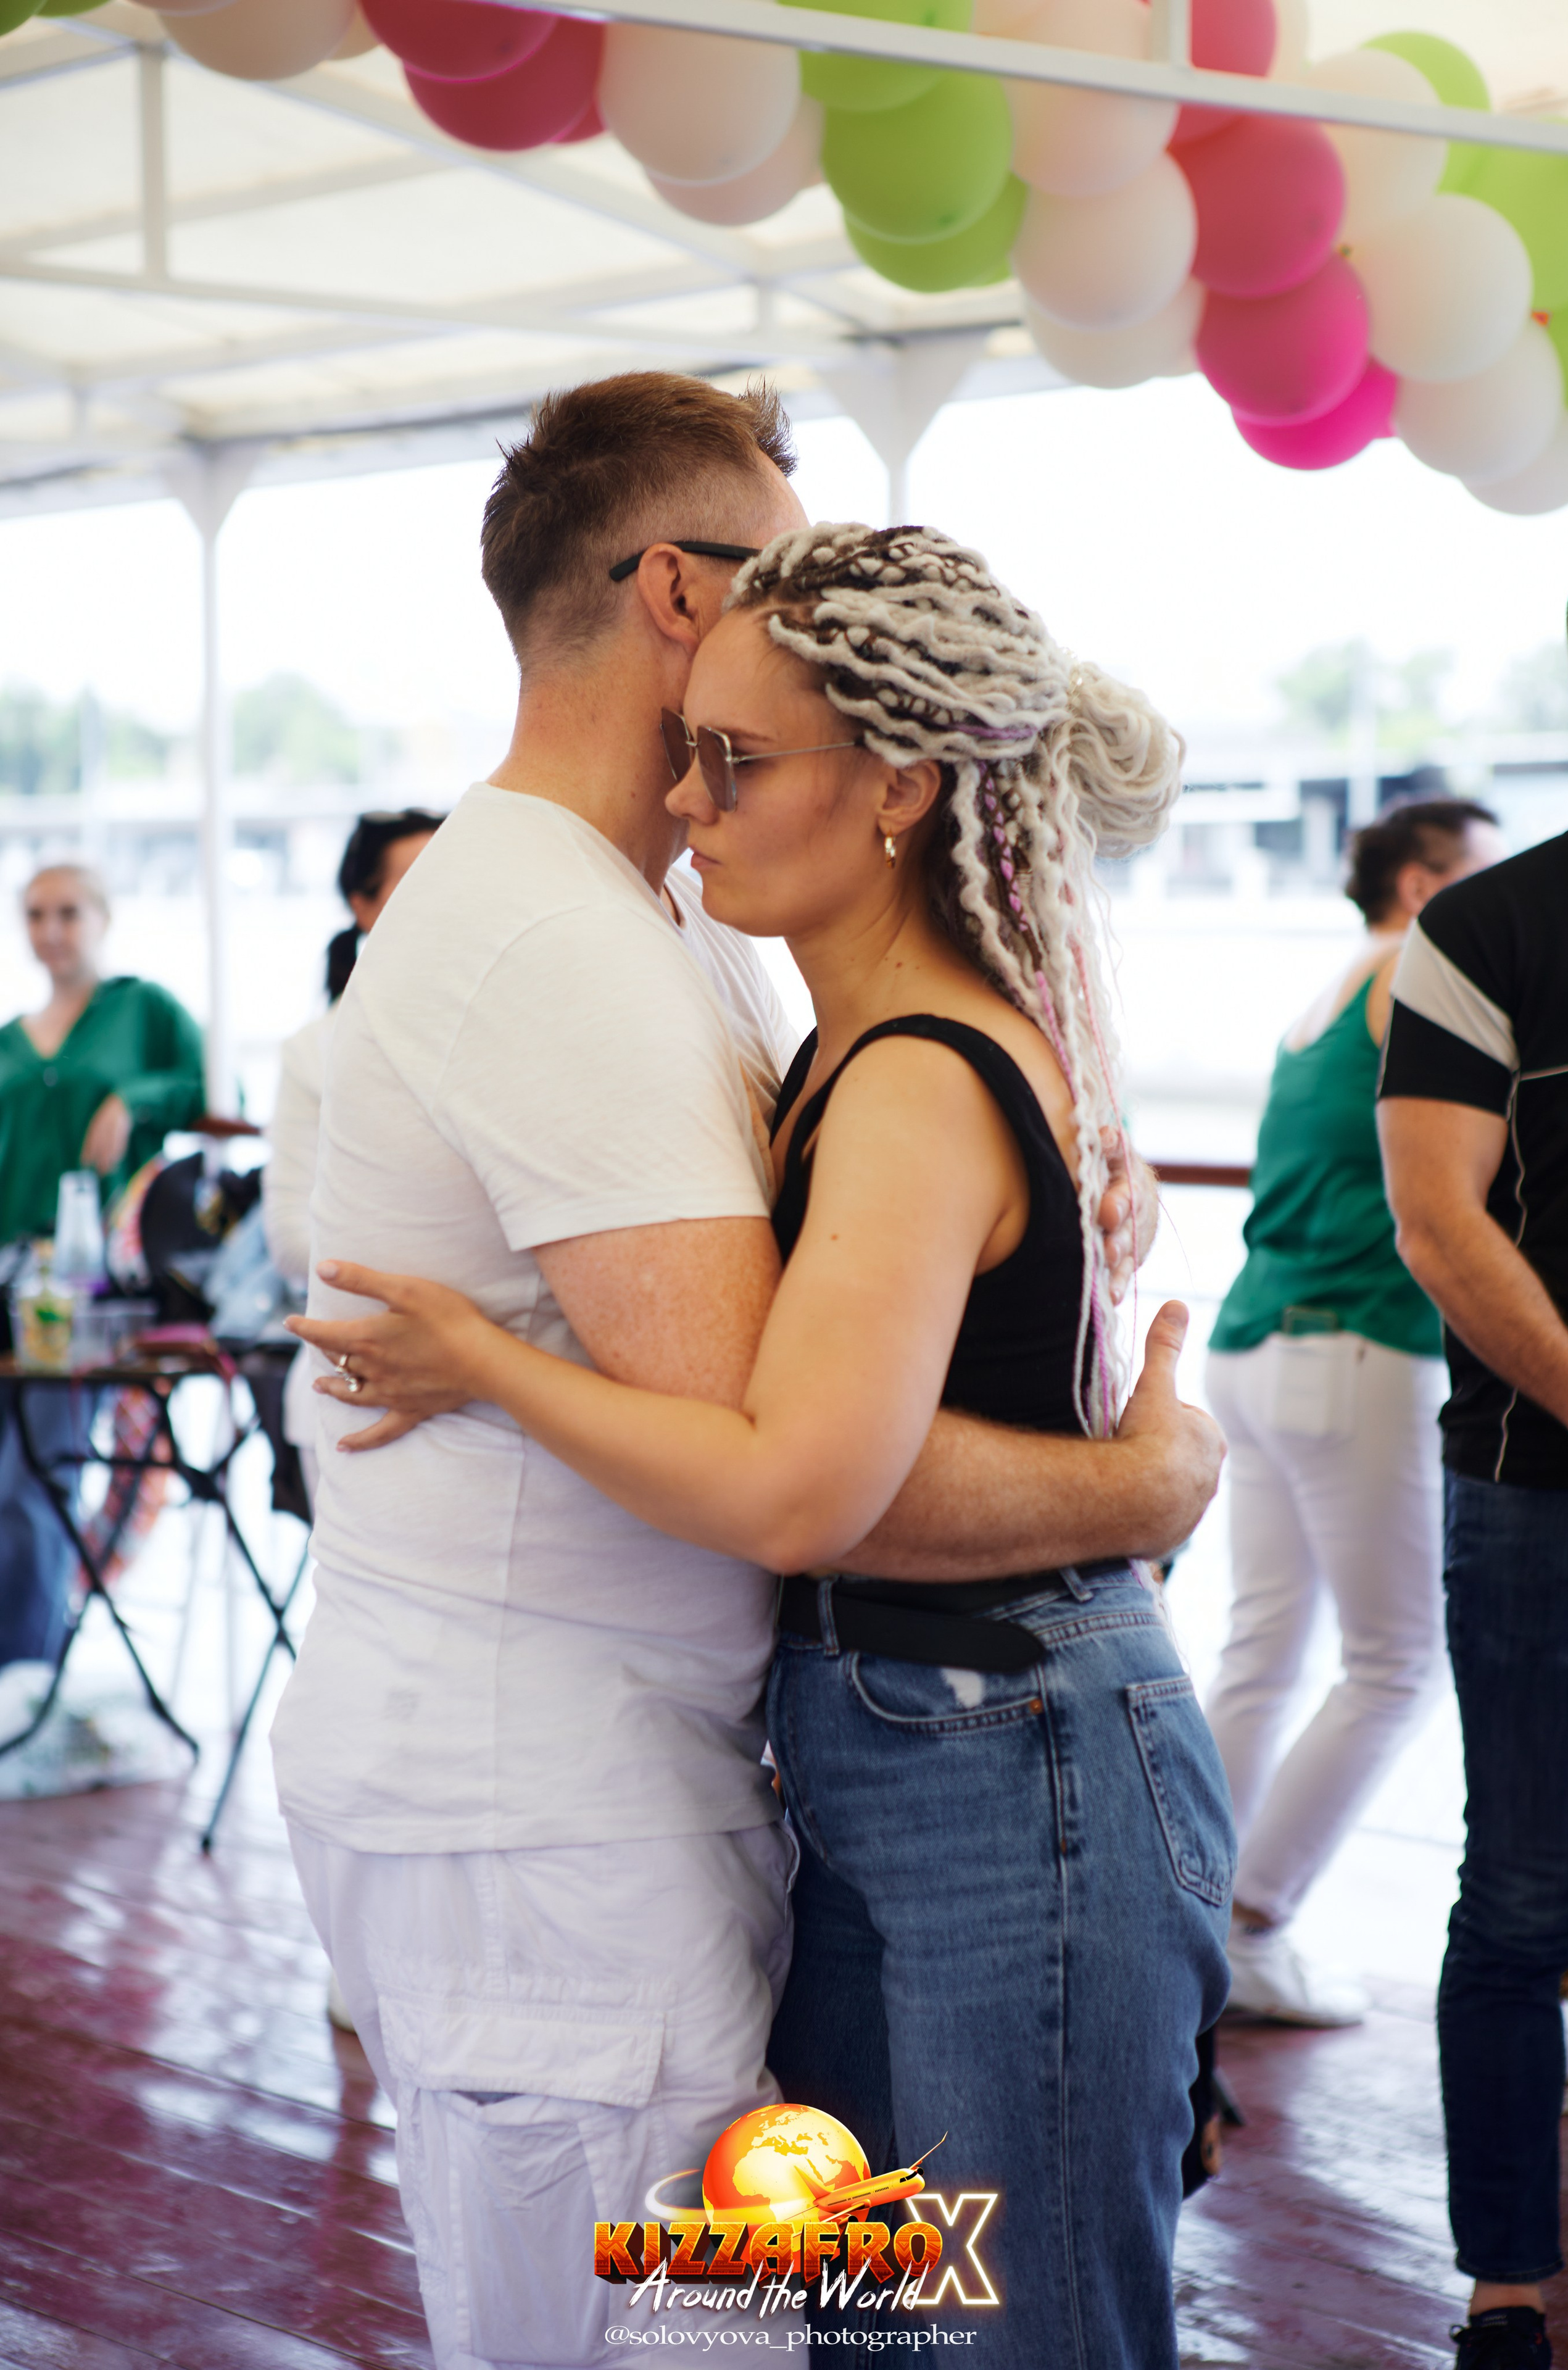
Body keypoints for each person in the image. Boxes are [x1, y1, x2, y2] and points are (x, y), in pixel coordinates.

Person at [293, 518, 1233, 2369]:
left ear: (894, 783)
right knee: (889, 2320)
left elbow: (802, 1481)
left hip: (1003, 1751)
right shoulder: (856, 1046)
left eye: (736, 759)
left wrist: (490, 1356)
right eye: (688, 747)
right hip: (935, 1746)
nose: (689, 796)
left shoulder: (901, 1080)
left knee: (1005, 2330)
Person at [1205, 797, 1505, 2026]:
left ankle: (1188, 1916)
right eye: (1486, 881)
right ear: (1428, 889)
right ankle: (1253, 1921)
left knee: (1262, 1651)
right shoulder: (1419, 980)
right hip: (1354, 1350)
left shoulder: (1328, 991)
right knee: (1393, 1664)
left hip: (1252, 1343)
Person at [1376, 596, 1568, 2370]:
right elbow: (1439, 1223)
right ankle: (1506, 2288)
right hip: (1537, 1493)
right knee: (1520, 1894)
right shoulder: (1486, 928)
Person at [0, 863, 204, 1670]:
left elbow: (203, 1088)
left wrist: (132, 1101)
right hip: (7, 1278)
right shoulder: (10, 1041)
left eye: (68, 912)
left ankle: (27, 1677)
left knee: (35, 1481)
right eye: (36, 914)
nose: (51, 929)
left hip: (87, 1285)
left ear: (103, 917)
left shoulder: (141, 1011)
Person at [263, 808, 442, 1506]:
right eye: (414, 880)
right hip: (351, 1380)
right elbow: (289, 1238)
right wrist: (437, 1287)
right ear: (361, 906)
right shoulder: (316, 1053)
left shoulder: (509, 1028)